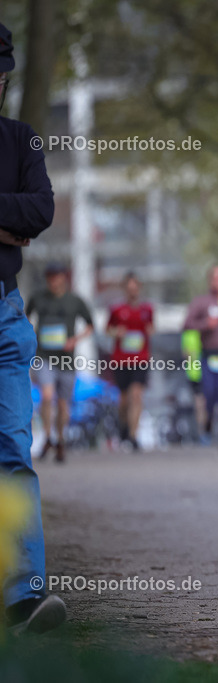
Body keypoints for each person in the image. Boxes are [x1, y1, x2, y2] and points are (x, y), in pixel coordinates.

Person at [0, 20, 67, 633]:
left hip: (7, 318)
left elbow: (40, 210)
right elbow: (21, 217)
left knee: (14, 451)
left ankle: (23, 595)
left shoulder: (21, 140)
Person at [26, 263, 94, 463]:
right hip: (43, 355)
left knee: (64, 403)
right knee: (47, 395)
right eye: (49, 277)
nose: (53, 281)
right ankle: (47, 437)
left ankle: (60, 439)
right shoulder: (37, 298)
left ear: (64, 278)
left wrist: (75, 340)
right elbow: (25, 317)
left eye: (56, 277)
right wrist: (31, 336)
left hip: (66, 359)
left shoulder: (75, 301)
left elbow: (90, 326)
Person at [183, 264, 218, 458]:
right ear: (210, 281)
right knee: (211, 397)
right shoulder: (201, 302)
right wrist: (205, 324)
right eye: (215, 278)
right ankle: (208, 420)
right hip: (209, 357)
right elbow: (187, 323)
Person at [107, 272, 154, 452]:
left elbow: (151, 327)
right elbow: (108, 329)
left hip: (141, 358)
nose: (132, 291)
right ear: (125, 289)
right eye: (129, 288)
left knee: (137, 395)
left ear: (139, 288)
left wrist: (150, 331)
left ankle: (134, 436)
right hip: (121, 360)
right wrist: (116, 332)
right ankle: (123, 427)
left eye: (135, 288)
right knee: (124, 399)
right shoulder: (116, 309)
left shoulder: (147, 309)